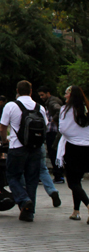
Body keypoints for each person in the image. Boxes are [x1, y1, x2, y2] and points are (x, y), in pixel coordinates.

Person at [0, 80, 47, 223]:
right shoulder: (40, 108)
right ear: (31, 91)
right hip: (35, 149)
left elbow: (2, 127)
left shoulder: (11, 106)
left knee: (12, 177)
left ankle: (24, 199)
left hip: (17, 148)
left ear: (17, 91)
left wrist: (3, 141)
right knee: (32, 180)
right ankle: (29, 213)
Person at [56, 86, 89, 222]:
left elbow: (62, 128)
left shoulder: (66, 110)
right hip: (87, 148)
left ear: (71, 95)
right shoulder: (86, 109)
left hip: (72, 148)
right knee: (78, 180)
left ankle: (88, 204)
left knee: (72, 182)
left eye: (66, 93)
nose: (65, 96)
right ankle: (76, 211)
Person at [38, 86, 64, 184]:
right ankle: (58, 175)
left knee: (53, 153)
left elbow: (59, 110)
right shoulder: (51, 101)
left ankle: (58, 175)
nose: (41, 97)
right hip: (53, 130)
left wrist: (53, 120)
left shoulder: (52, 102)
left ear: (48, 93)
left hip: (53, 131)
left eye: (42, 95)